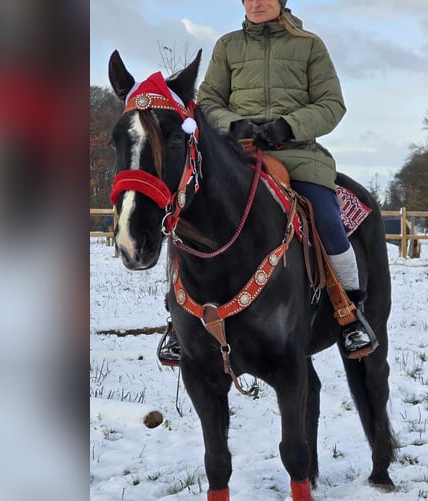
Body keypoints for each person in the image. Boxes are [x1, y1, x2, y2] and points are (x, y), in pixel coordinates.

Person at [157, 0, 374, 364]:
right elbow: (207, 101)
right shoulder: (227, 46)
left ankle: (349, 311)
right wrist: (233, 125)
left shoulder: (310, 45)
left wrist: (288, 126)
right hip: (234, 155)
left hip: (297, 155)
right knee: (187, 217)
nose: (257, 2)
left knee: (326, 219)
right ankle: (178, 319)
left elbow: (331, 103)